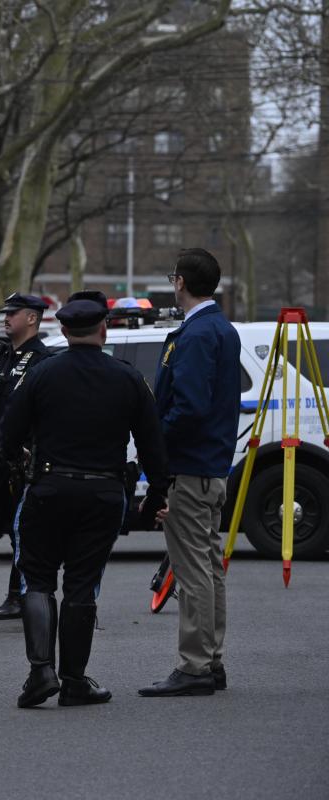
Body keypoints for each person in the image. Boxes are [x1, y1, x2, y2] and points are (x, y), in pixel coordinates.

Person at [1, 292, 167, 708]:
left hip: (49, 488)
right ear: (103, 329)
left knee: (36, 577)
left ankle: (41, 671)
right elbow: (152, 446)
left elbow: (8, 433)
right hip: (103, 493)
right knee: (82, 583)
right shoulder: (127, 378)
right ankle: (74, 679)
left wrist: (18, 459)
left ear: (63, 331)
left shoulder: (42, 374)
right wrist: (158, 494)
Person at [139, 249, 241, 698]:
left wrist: (155, 441)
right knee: (208, 565)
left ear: (180, 282)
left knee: (191, 567)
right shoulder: (219, 327)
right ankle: (210, 660)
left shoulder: (198, 334)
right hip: (210, 465)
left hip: (190, 464)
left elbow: (189, 405)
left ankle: (195, 664)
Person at [0, 293, 53, 622]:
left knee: (23, 533)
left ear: (32, 318)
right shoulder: (0, 356)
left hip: (21, 463)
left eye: (13, 313)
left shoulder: (41, 361)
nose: (6, 318)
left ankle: (18, 596)